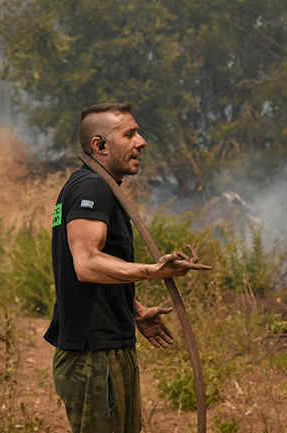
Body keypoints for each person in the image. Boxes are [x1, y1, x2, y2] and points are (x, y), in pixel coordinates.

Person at [45, 102, 212, 433]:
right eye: (130, 134)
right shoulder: (91, 187)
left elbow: (90, 270)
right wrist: (154, 271)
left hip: (106, 349)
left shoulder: (96, 188)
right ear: (100, 145)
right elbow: (86, 264)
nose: (142, 141)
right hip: (93, 356)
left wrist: (133, 310)